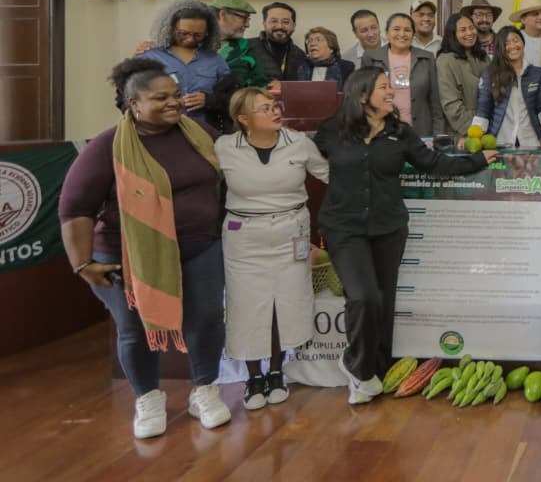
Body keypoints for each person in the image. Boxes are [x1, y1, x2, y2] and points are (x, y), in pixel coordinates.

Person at [58, 58, 229, 438]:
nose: (174, 103)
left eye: (176, 95)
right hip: (127, 255)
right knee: (134, 330)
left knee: (206, 320)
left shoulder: (198, 133)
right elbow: (74, 207)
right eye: (160, 98)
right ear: (133, 104)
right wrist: (82, 263)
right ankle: (148, 397)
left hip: (200, 245)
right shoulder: (108, 146)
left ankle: (204, 390)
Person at [315, 69, 497, 404]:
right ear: (361, 95)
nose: (392, 92)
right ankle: (358, 367)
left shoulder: (400, 132)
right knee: (364, 296)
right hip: (343, 229)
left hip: (389, 228)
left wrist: (476, 160)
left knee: (384, 302)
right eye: (384, 87)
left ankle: (376, 373)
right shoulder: (331, 131)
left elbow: (434, 163)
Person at [215, 87, 328, 411]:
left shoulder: (299, 142)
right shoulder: (224, 147)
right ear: (244, 119)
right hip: (244, 235)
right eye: (264, 109)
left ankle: (277, 371)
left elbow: (329, 173)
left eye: (275, 105)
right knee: (247, 305)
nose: (275, 111)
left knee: (285, 303)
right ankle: (253, 377)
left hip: (290, 230)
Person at [138, 0, 232, 127]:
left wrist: (209, 100)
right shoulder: (150, 56)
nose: (190, 39)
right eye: (183, 33)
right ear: (170, 28)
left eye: (198, 35)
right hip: (159, 131)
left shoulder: (215, 61)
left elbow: (231, 98)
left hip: (203, 132)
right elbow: (127, 97)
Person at [472, 26, 541, 149]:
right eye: (506, 43)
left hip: (532, 142)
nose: (513, 46)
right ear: (500, 48)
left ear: (522, 42)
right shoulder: (490, 74)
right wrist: (473, 139)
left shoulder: (538, 73)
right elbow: (482, 111)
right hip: (500, 142)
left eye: (516, 40)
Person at [361, 13, 444, 139]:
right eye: (396, 29)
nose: (402, 34)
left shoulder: (427, 58)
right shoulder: (371, 58)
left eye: (407, 30)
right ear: (387, 33)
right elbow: (364, 99)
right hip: (382, 131)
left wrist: (438, 136)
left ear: (413, 34)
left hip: (421, 132)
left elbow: (435, 101)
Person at [435, 12, 490, 139]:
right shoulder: (445, 60)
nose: (469, 33)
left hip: (488, 129)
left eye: (471, 28)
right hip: (462, 134)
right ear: (453, 34)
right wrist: (474, 130)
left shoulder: (483, 58)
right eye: (463, 30)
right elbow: (450, 104)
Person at [249, 2, 308, 86]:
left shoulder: (300, 55)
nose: (279, 26)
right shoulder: (247, 48)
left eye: (286, 22)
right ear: (264, 24)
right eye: (274, 21)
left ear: (294, 26)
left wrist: (285, 86)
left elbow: (303, 87)